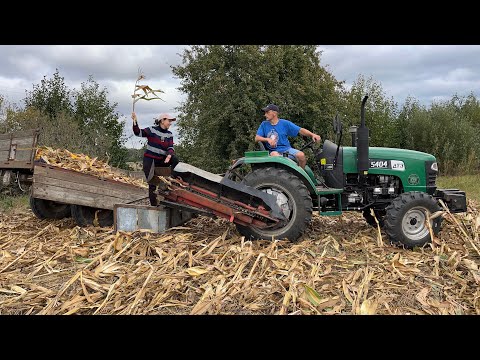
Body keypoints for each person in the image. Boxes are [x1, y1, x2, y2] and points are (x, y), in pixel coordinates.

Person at [132, 111, 179, 206]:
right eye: (169, 121)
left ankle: (171, 180)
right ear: (162, 121)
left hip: (162, 160)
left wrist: (169, 155)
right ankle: (154, 205)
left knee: (175, 159)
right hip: (150, 161)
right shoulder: (152, 130)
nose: (170, 123)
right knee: (152, 184)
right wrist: (135, 121)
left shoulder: (169, 134)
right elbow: (138, 132)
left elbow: (170, 147)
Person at [255, 104, 321, 169]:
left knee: (301, 155)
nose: (265, 115)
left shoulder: (285, 123)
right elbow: (257, 138)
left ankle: (299, 177)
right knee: (275, 155)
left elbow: (300, 130)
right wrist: (267, 139)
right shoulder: (264, 124)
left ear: (274, 113)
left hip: (286, 150)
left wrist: (312, 135)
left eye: (267, 112)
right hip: (273, 151)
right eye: (265, 113)